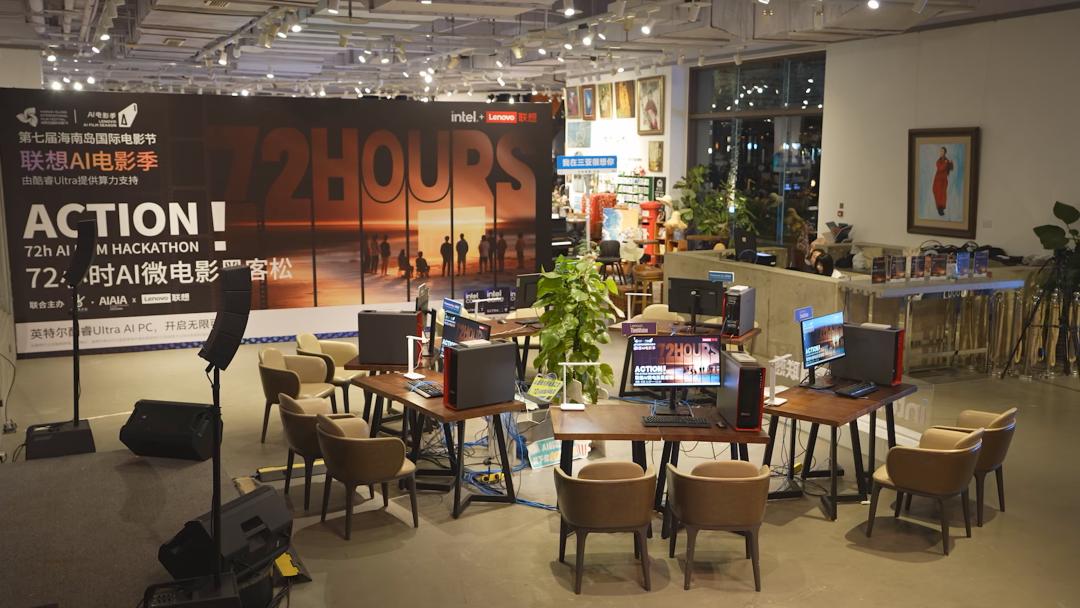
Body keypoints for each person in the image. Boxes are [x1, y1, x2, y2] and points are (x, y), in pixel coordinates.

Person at [932, 146, 954, 216]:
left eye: (942, 151)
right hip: (937, 179)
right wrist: (946, 163)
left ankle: (941, 208)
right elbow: (940, 168)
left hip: (943, 180)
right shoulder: (938, 161)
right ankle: (939, 207)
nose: (940, 152)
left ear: (945, 152)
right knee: (936, 191)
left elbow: (951, 168)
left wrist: (951, 163)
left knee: (942, 194)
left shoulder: (946, 160)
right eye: (940, 151)